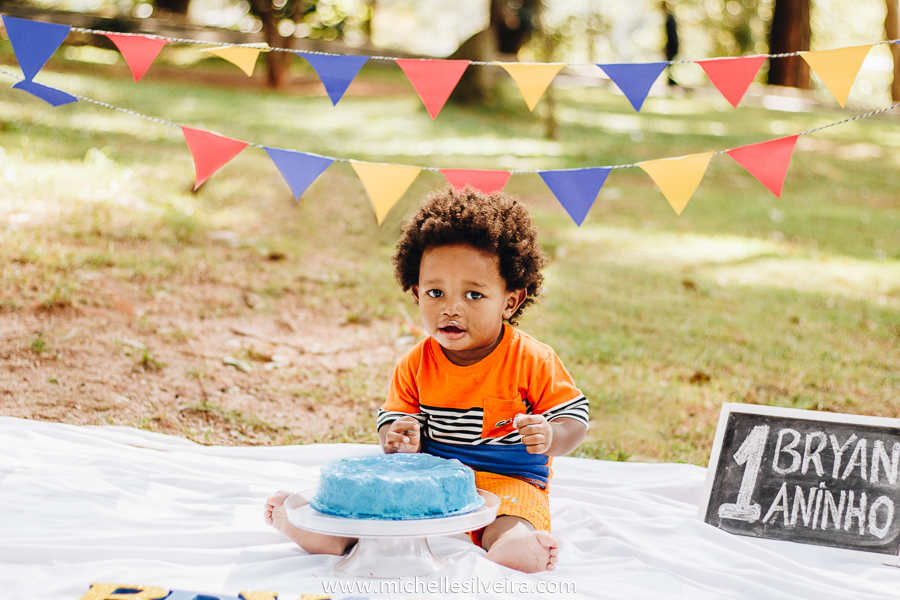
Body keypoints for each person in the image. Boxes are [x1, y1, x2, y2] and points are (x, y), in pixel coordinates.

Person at [265, 186, 589, 573]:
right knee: (378, 511)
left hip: (508, 479)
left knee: (513, 513)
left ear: (510, 301)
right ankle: (321, 531)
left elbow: (575, 419)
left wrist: (552, 435)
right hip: (428, 480)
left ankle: (511, 543)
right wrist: (397, 435)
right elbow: (392, 420)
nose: (450, 308)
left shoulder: (532, 359)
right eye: (435, 292)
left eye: (473, 295)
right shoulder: (415, 363)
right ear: (416, 293)